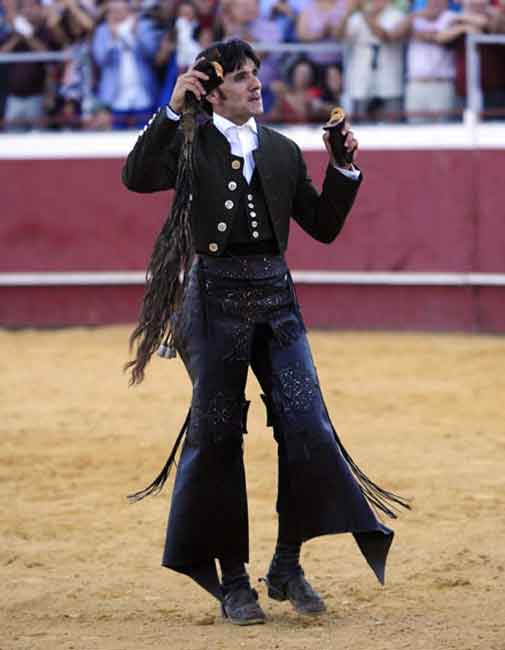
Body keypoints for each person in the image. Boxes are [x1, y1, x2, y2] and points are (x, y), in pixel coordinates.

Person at [122, 39, 408, 626]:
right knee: (219, 435)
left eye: (257, 74)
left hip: (277, 300)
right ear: (214, 88)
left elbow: (323, 227)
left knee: (307, 426)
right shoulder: (188, 141)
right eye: (243, 77)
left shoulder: (279, 150)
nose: (256, 84)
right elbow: (136, 175)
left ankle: (286, 562)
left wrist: (344, 168)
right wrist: (174, 108)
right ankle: (233, 582)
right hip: (213, 302)